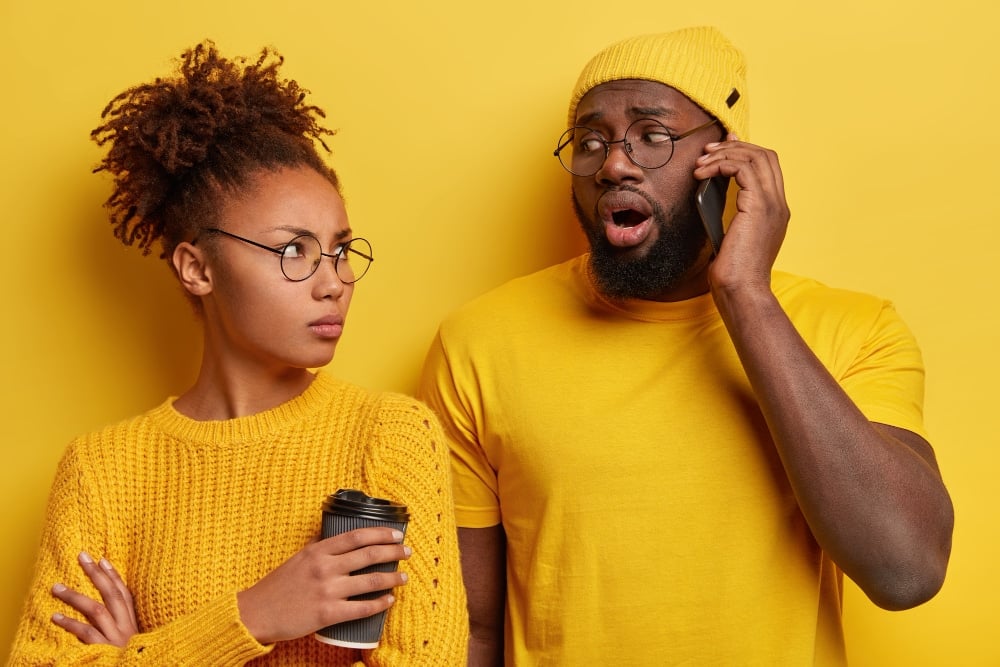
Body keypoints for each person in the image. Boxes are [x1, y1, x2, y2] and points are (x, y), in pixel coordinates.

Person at [418, 26, 954, 665]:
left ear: (729, 161)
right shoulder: (480, 341)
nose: (615, 163)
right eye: (591, 142)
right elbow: (472, 629)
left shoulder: (854, 331)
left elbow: (907, 570)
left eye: (653, 136)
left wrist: (746, 297)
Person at [8, 40, 467, 666]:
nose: (333, 280)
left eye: (339, 249)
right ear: (197, 268)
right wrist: (254, 615)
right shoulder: (103, 471)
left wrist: (135, 656)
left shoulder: (390, 437)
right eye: (293, 251)